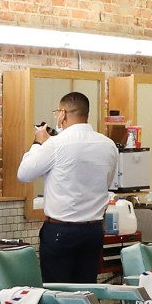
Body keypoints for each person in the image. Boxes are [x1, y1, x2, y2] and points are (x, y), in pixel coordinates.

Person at [14, 90, 119, 284]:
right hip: (93, 231)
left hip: (61, 231)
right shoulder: (108, 145)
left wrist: (38, 143)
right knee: (89, 291)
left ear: (62, 114)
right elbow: (109, 182)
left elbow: (24, 174)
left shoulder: (55, 144)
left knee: (58, 294)